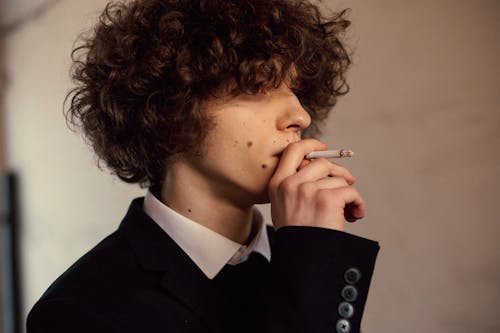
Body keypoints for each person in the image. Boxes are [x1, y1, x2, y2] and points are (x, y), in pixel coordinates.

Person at [27, 0, 379, 332]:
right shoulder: (81, 310)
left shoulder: (304, 255)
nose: (300, 116)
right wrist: (313, 259)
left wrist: (313, 259)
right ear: (170, 111)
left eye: (298, 90)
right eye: (256, 87)